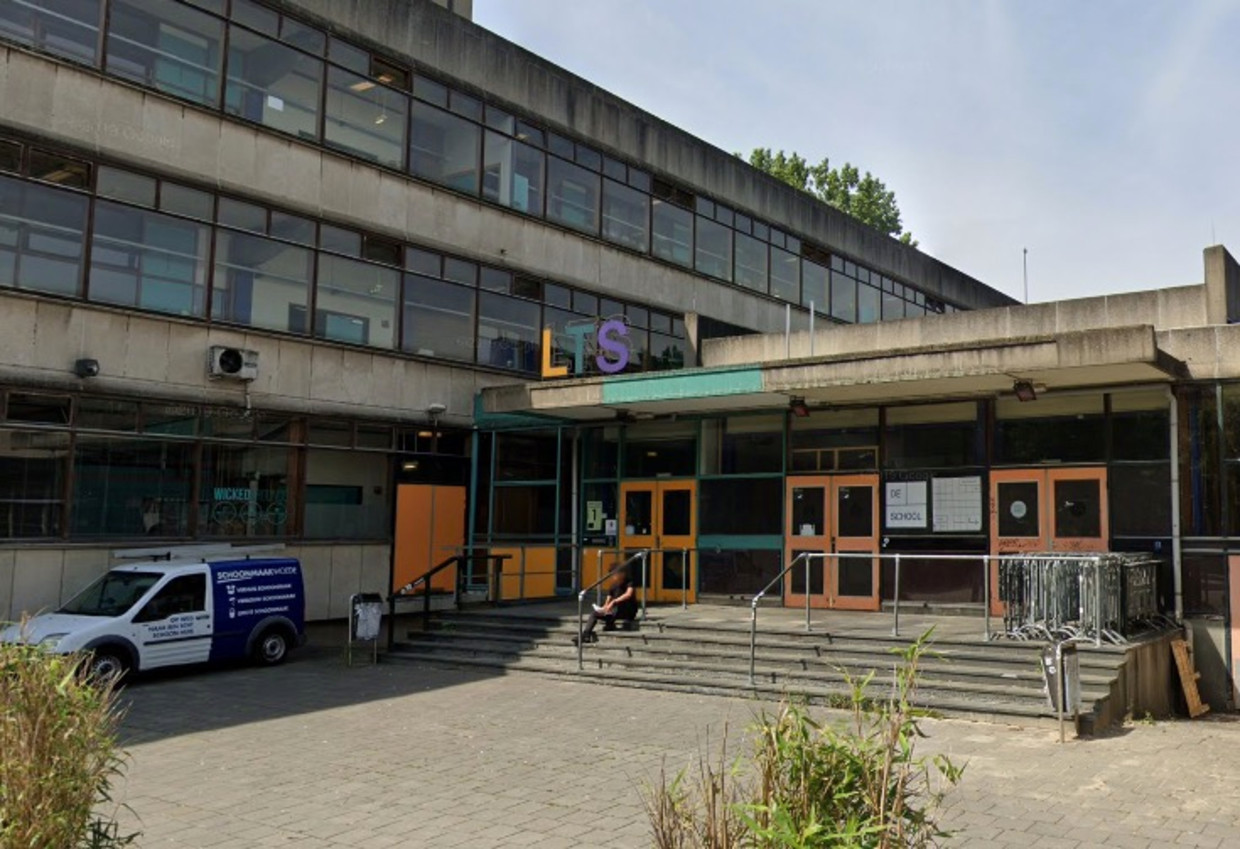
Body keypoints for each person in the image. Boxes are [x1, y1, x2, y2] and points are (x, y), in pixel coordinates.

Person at [573, 565, 638, 644]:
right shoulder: (613, 586)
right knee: (594, 614)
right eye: (612, 575)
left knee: (614, 608)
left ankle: (610, 624)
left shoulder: (629, 582)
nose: (613, 577)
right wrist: (603, 609)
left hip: (628, 610)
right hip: (616, 610)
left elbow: (628, 594)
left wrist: (614, 602)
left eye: (615, 574)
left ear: (622, 574)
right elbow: (608, 600)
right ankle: (586, 634)